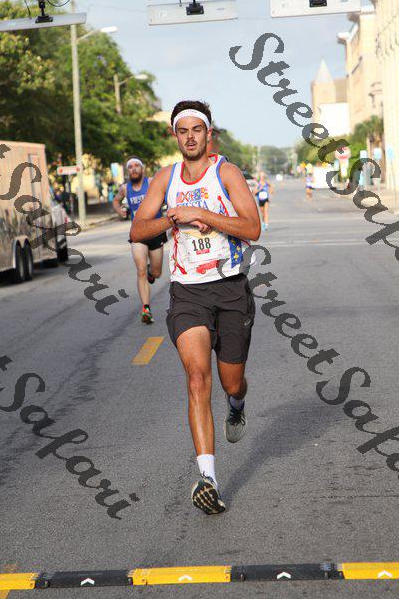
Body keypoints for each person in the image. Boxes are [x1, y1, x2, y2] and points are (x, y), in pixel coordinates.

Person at [131, 100, 260, 515]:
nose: (190, 137)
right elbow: (138, 229)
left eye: (197, 130)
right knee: (197, 379)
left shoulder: (226, 173)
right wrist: (174, 219)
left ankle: (237, 405)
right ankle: (208, 478)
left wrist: (204, 214)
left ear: (209, 134)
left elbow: (253, 227)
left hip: (230, 289)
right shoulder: (165, 178)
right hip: (188, 293)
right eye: (183, 130)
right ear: (175, 136)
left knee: (231, 382)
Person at [113, 157, 167, 324]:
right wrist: (120, 211)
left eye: (137, 166)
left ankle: (152, 273)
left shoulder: (151, 183)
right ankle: (146, 308)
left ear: (142, 169)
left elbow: (166, 194)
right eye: (130, 167)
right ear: (127, 171)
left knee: (156, 273)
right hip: (137, 234)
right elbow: (116, 201)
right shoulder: (125, 188)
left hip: (155, 232)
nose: (134, 169)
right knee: (141, 270)